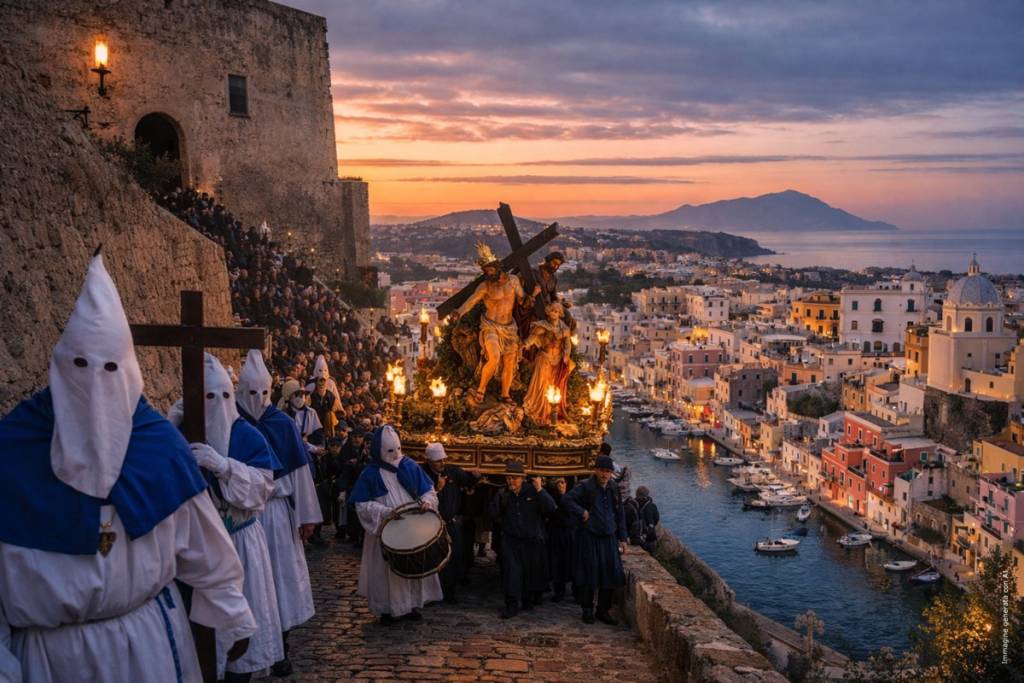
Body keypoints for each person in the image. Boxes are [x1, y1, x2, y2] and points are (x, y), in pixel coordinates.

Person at [0, 253, 256, 681]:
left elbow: (206, 546)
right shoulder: (12, 455)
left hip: (149, 646)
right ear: (60, 367)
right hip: (48, 660)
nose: (95, 385)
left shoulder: (158, 448)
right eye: (81, 366)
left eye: (110, 369)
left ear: (129, 372)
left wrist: (231, 611)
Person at [174, 354, 284, 683]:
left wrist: (225, 467)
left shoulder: (248, 436)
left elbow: (263, 486)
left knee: (241, 639)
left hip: (240, 542)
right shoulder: (185, 432)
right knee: (200, 637)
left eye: (224, 395)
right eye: (209, 397)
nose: (218, 404)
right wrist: (169, 427)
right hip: (197, 548)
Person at [237, 349, 322, 676]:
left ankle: (280, 648)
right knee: (251, 584)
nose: (257, 400)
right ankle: (245, 650)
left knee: (280, 581)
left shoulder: (282, 425)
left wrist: (306, 517)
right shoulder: (232, 423)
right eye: (251, 393)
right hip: (244, 515)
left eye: (262, 392)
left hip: (277, 516)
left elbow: (300, 475)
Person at [350, 426, 442, 624]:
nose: (395, 455)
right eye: (390, 451)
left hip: (411, 528)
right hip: (386, 529)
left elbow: (428, 490)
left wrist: (427, 502)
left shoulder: (410, 466)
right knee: (385, 570)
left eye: (397, 449)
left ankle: (410, 605)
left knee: (412, 566)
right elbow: (362, 504)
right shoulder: (370, 473)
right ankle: (387, 608)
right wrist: (384, 513)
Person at [453, 244, 530, 405]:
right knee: (494, 357)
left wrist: (530, 298)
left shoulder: (513, 281)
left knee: (510, 361)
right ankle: (481, 389)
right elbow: (472, 301)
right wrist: (459, 312)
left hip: (509, 328)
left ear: (497, 267)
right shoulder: (485, 286)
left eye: (490, 270)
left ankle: (505, 394)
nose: (488, 273)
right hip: (490, 327)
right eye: (485, 271)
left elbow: (522, 299)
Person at [562, 455, 628, 625]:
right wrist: (581, 512)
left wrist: (622, 538)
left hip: (609, 538)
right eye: (602, 471)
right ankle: (587, 610)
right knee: (589, 575)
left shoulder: (614, 488)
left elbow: (619, 513)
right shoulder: (585, 486)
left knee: (609, 575)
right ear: (596, 470)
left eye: (608, 472)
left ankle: (603, 610)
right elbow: (567, 499)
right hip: (590, 536)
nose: (605, 475)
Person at [489, 462, 556, 619]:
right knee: (512, 572)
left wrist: (540, 489)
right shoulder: (503, 494)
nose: (511, 481)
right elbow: (492, 512)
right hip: (511, 540)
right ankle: (511, 604)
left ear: (522, 479)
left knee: (528, 572)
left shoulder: (533, 492)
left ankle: (527, 600)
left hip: (530, 540)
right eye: (509, 478)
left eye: (515, 478)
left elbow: (551, 507)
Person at [419, 443, 481, 603]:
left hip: (450, 523)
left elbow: (468, 482)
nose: (442, 463)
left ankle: (450, 591)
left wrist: (475, 477)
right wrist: (437, 488)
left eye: (443, 460)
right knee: (433, 558)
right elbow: (419, 496)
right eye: (438, 461)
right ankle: (431, 593)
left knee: (453, 557)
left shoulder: (452, 471)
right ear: (429, 461)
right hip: (431, 523)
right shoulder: (422, 474)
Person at [521, 302, 575, 425]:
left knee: (555, 385)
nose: (554, 313)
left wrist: (566, 354)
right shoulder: (542, 326)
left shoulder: (564, 329)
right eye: (552, 311)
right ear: (548, 312)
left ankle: (553, 412)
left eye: (556, 311)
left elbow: (567, 344)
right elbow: (533, 338)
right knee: (542, 384)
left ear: (560, 314)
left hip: (558, 359)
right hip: (544, 357)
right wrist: (525, 344)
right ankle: (540, 411)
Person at [545, 476, 579, 602]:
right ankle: (559, 591)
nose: (561, 485)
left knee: (573, 563)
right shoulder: (552, 499)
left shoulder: (572, 498)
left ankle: (576, 592)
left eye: (563, 482)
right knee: (557, 563)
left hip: (570, 534)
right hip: (557, 534)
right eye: (558, 483)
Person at [625, 486, 660, 552]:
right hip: (650, 538)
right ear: (647, 494)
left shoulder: (629, 506)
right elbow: (656, 519)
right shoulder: (652, 506)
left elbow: (626, 522)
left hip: (635, 539)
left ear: (636, 494)